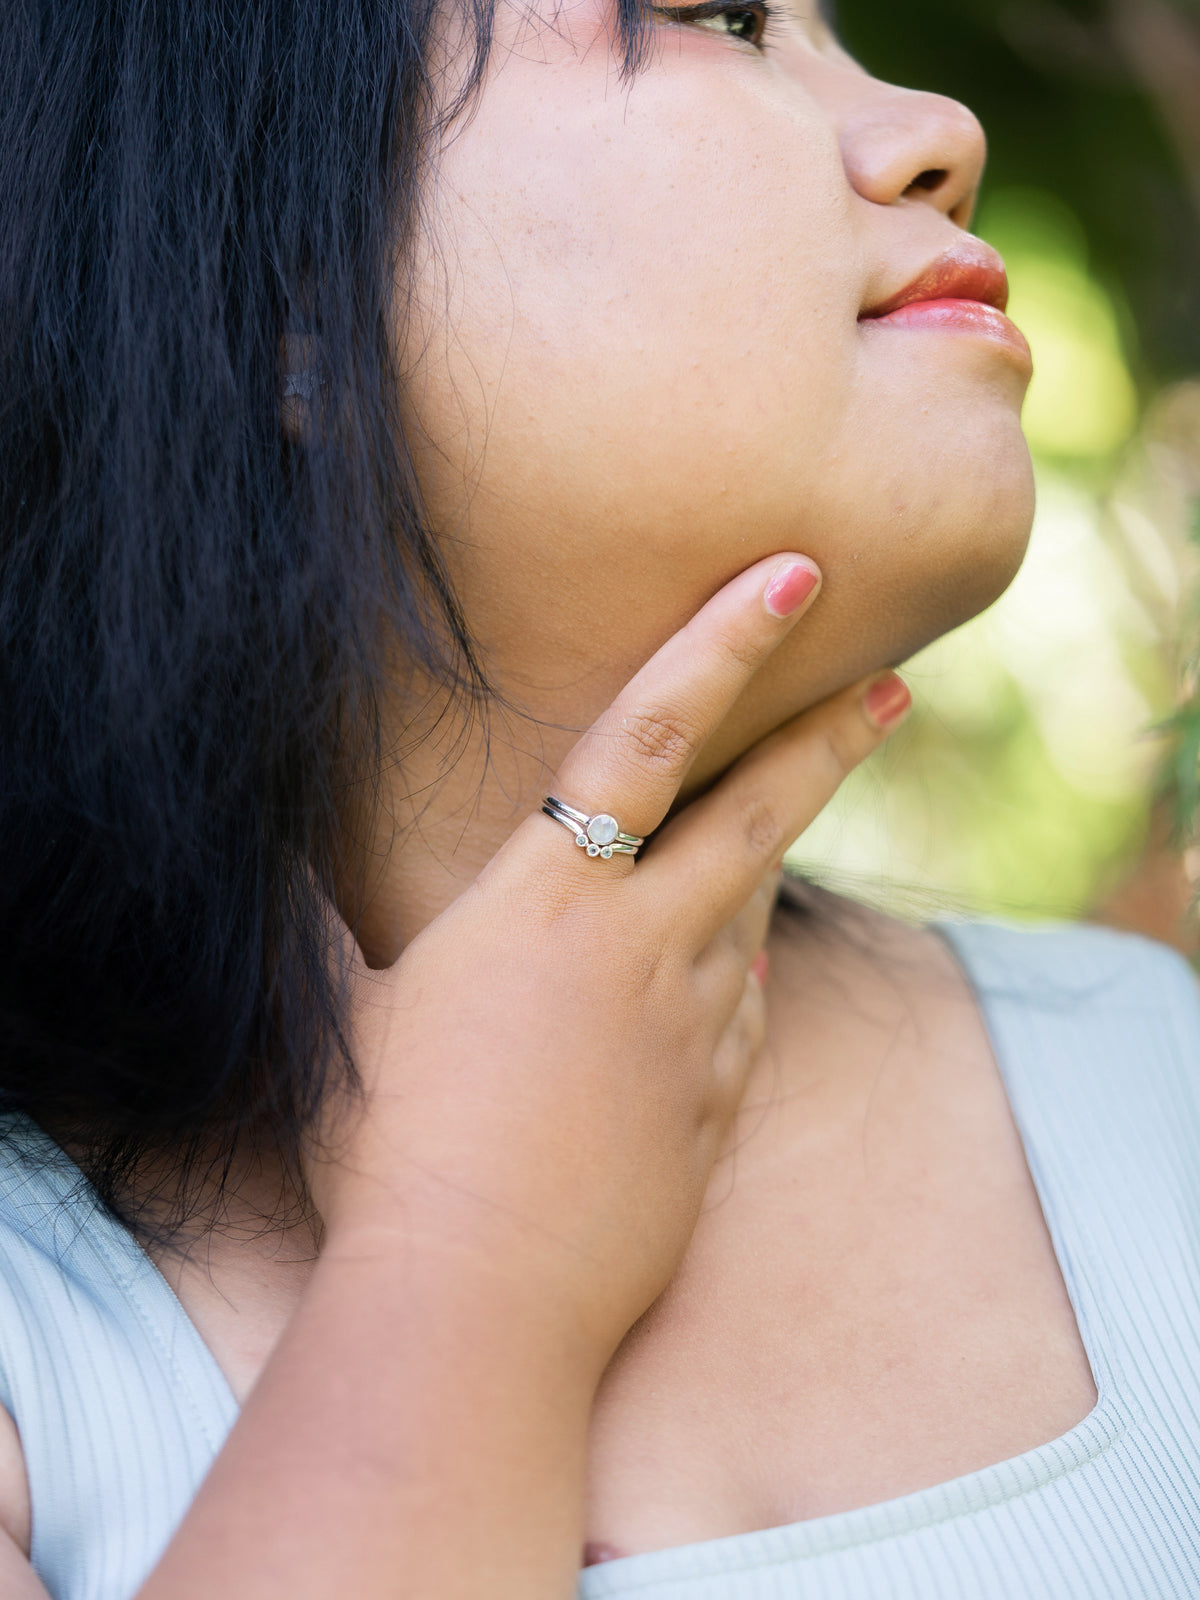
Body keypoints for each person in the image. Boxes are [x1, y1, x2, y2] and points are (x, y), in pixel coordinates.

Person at [0, 1, 1197, 1597]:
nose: (941, 131)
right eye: (717, 15)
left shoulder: (1158, 1070)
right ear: (283, 299)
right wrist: (470, 1257)